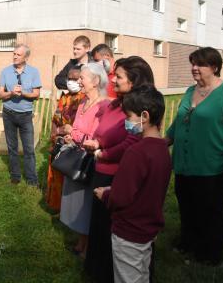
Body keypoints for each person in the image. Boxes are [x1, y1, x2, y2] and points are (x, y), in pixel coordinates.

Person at [166, 47, 223, 265]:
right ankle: (188, 242)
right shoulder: (189, 91)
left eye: (200, 64)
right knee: (187, 206)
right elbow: (178, 123)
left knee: (211, 212)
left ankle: (210, 254)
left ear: (214, 67)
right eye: (193, 63)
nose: (194, 68)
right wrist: (163, 142)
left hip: (212, 167)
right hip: (184, 164)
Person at [83, 56, 155, 283]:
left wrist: (104, 152)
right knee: (99, 226)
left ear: (133, 81)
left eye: (119, 76)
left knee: (111, 230)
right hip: (101, 168)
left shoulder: (136, 109)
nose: (113, 80)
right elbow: (106, 132)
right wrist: (98, 143)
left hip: (116, 174)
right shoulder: (117, 104)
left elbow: (131, 142)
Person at [94, 85, 171, 283]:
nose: (127, 122)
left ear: (144, 116)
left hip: (129, 232)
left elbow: (121, 197)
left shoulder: (136, 152)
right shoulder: (162, 149)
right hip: (147, 229)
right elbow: (145, 188)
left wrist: (106, 194)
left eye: (128, 117)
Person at [60, 63, 110, 257]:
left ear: (96, 81)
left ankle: (89, 246)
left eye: (82, 78)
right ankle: (82, 241)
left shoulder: (104, 106)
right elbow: (80, 131)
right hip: (76, 160)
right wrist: (70, 136)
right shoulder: (82, 103)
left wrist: (71, 131)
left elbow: (94, 138)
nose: (78, 81)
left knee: (86, 204)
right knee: (78, 202)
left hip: (89, 163)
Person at [0, 43, 42, 186]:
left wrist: (23, 93)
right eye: (14, 54)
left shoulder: (34, 72)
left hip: (25, 115)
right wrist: (11, 93)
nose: (15, 56)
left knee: (29, 149)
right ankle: (15, 176)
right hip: (8, 114)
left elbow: (36, 94)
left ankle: (31, 180)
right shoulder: (5, 71)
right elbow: (0, 94)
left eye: (18, 54)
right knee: (12, 148)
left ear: (26, 57)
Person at [45, 66, 85, 212]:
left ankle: (66, 209)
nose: (72, 82)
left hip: (72, 144)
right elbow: (56, 119)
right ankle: (54, 205)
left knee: (66, 177)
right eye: (70, 78)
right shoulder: (64, 97)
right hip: (58, 141)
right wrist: (54, 135)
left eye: (75, 79)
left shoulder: (84, 100)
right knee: (54, 173)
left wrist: (64, 133)